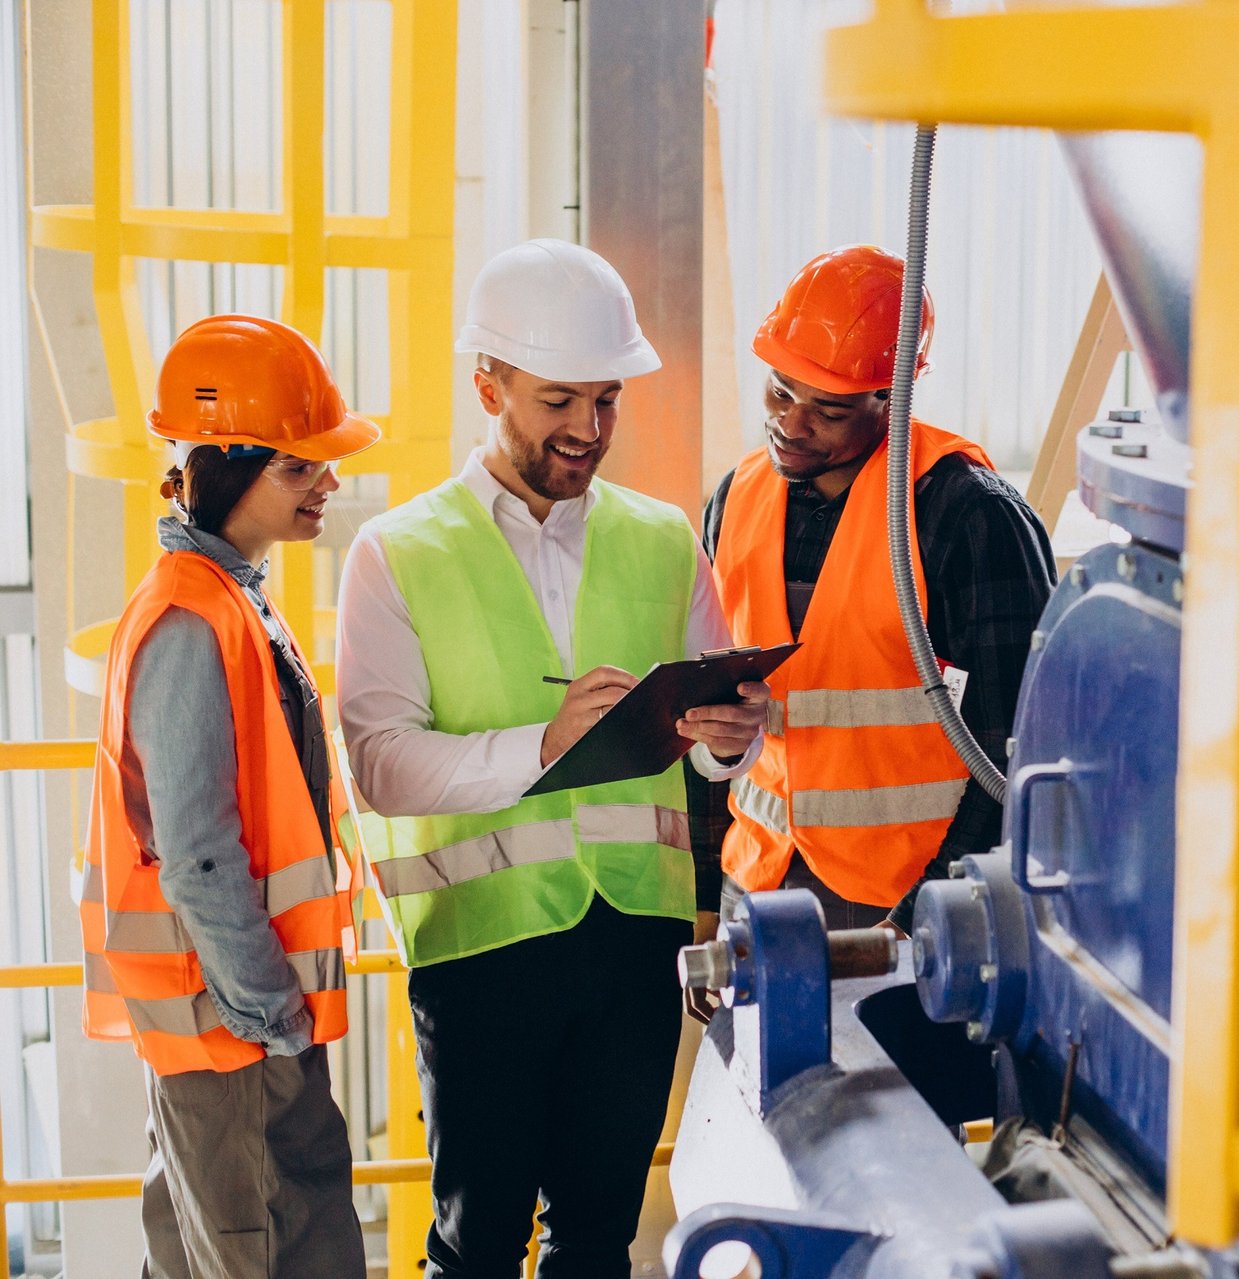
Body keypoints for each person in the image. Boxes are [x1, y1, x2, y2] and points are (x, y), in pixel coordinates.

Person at [335, 238, 766, 1279]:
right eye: (558, 400)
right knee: (476, 1246)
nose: (589, 430)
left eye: (606, 401)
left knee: (598, 1242)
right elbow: (380, 765)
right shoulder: (394, 554)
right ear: (488, 383)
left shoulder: (667, 540)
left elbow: (709, 749)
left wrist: (726, 746)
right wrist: (541, 743)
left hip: (632, 945)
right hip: (480, 953)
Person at [79, 315, 376, 1279]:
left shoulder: (230, 596)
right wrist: (273, 1010)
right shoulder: (192, 618)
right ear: (222, 468)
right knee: (269, 1253)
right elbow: (197, 851)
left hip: (239, 1023)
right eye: (299, 468)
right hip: (236, 1026)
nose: (327, 484)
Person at [696, 244, 1055, 943]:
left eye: (828, 410)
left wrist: (933, 911)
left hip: (898, 901)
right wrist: (710, 893)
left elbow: (1015, 745)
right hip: (758, 884)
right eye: (779, 391)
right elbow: (708, 710)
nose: (791, 424)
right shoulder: (736, 498)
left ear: (893, 400)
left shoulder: (966, 515)